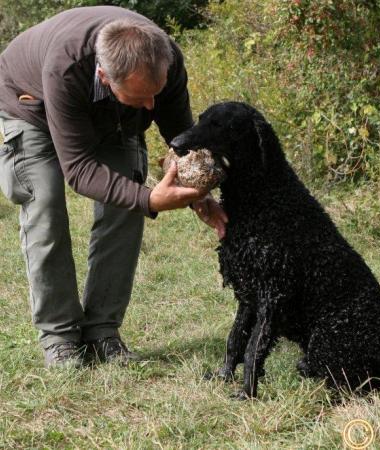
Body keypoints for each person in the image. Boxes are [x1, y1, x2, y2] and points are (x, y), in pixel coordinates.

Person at [0, 5, 228, 368]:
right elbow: (78, 169)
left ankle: (102, 331)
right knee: (45, 207)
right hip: (32, 104)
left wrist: (200, 197)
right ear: (105, 76)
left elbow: (179, 137)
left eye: (156, 93)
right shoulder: (67, 67)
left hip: (113, 115)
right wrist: (151, 197)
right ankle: (60, 337)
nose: (151, 105)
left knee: (127, 205)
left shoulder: (164, 58)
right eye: (141, 98)